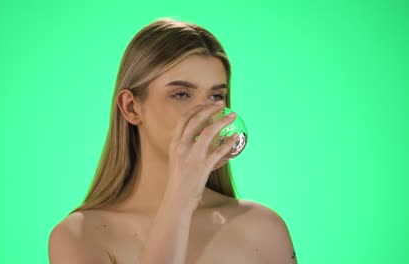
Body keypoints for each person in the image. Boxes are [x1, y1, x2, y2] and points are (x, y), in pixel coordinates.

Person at [48, 17, 297, 264]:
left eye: (216, 96)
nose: (206, 113)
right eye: (181, 94)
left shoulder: (264, 228)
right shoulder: (80, 236)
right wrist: (181, 199)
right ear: (131, 107)